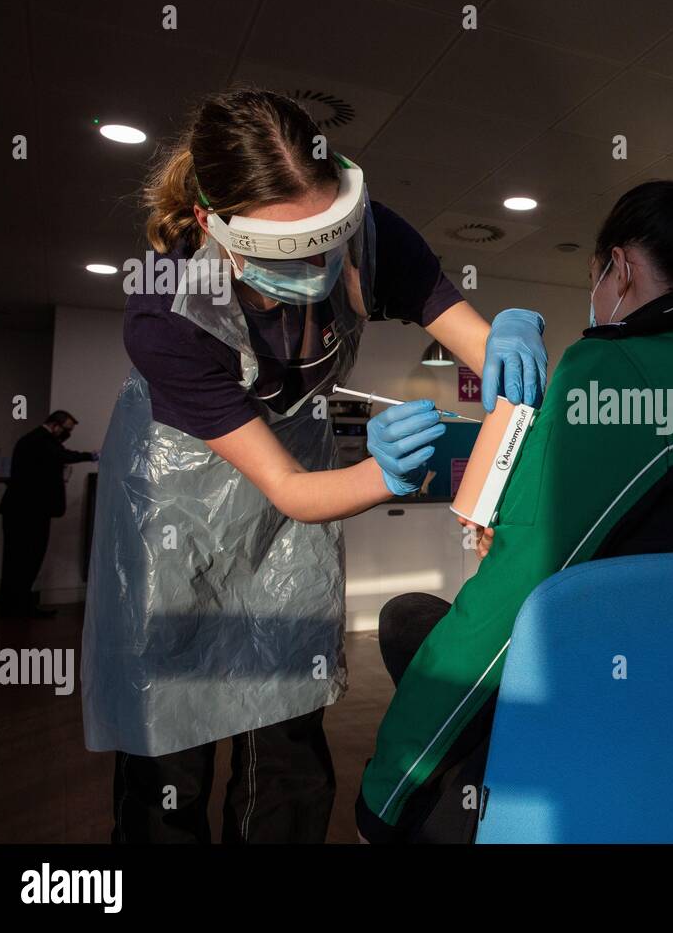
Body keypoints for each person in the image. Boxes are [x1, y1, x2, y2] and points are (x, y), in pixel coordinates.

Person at [81, 88, 548, 844]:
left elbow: (486, 360)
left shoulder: (372, 236)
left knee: (289, 739)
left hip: (298, 489)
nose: (314, 265)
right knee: (170, 746)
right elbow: (290, 488)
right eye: (281, 252)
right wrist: (381, 476)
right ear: (213, 227)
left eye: (325, 239)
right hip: (175, 505)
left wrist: (513, 337)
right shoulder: (166, 312)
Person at [356, 167, 673, 842]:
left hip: (608, 767)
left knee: (411, 621)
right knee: (416, 621)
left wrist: (385, 794)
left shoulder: (610, 368)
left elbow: (501, 619)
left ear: (621, 268)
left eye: (595, 279)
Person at [0, 410, 97, 617]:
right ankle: (18, 607)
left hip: (24, 510)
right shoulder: (39, 440)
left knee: (19, 560)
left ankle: (14, 606)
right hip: (28, 512)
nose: (67, 434)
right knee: (26, 559)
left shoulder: (34, 440)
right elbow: (62, 455)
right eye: (67, 429)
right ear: (55, 425)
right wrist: (92, 456)